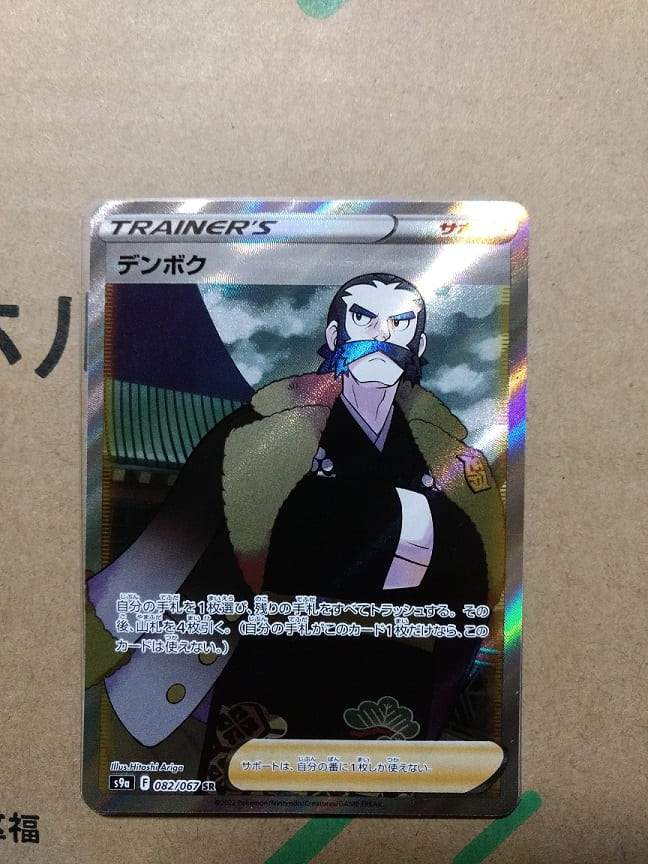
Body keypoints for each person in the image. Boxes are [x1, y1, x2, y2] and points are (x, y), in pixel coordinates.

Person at [87, 273, 504, 786]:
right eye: (363, 319)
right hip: (275, 668)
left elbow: (477, 590)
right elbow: (166, 549)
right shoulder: (261, 434)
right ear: (334, 335)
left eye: (399, 324)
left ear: (418, 346)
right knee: (246, 803)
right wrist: (96, 640)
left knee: (375, 813)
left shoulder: (454, 460)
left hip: (394, 682)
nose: (381, 336)